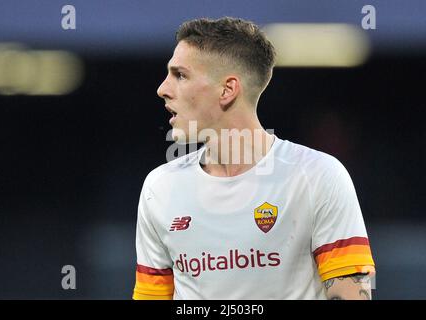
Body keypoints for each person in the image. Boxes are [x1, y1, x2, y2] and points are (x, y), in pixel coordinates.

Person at [133, 17, 375, 300]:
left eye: (180, 75)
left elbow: (351, 295)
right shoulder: (159, 188)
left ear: (227, 89)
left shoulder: (317, 176)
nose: (163, 88)